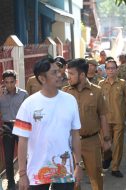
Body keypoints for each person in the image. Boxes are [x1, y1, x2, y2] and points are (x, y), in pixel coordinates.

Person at [12, 58, 82, 190]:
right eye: (54, 72)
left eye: (59, 71)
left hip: (64, 172)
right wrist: (22, 174)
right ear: (42, 79)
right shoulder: (28, 104)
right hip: (36, 172)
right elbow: (22, 141)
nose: (60, 74)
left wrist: (78, 165)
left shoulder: (70, 100)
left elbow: (75, 134)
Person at [64, 58, 111, 190]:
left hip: (91, 141)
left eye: (72, 74)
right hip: (70, 143)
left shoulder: (96, 91)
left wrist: (106, 138)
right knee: (73, 180)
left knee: (96, 177)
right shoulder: (65, 93)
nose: (68, 77)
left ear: (82, 75)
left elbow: (103, 115)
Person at [98, 59, 126, 178]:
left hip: (118, 119)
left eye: (113, 68)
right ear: (105, 70)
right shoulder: (101, 84)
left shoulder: (123, 84)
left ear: (117, 69)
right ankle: (107, 160)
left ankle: (115, 167)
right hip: (105, 121)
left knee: (118, 144)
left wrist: (122, 110)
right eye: (108, 68)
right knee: (105, 144)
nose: (111, 70)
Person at [0, 70, 28, 190]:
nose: (9, 85)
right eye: (7, 82)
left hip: (21, 126)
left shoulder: (23, 94)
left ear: (16, 81)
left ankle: (26, 179)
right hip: (7, 127)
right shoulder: (0, 94)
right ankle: (10, 182)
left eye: (12, 82)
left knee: (25, 155)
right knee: (8, 156)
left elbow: (28, 113)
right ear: (3, 82)